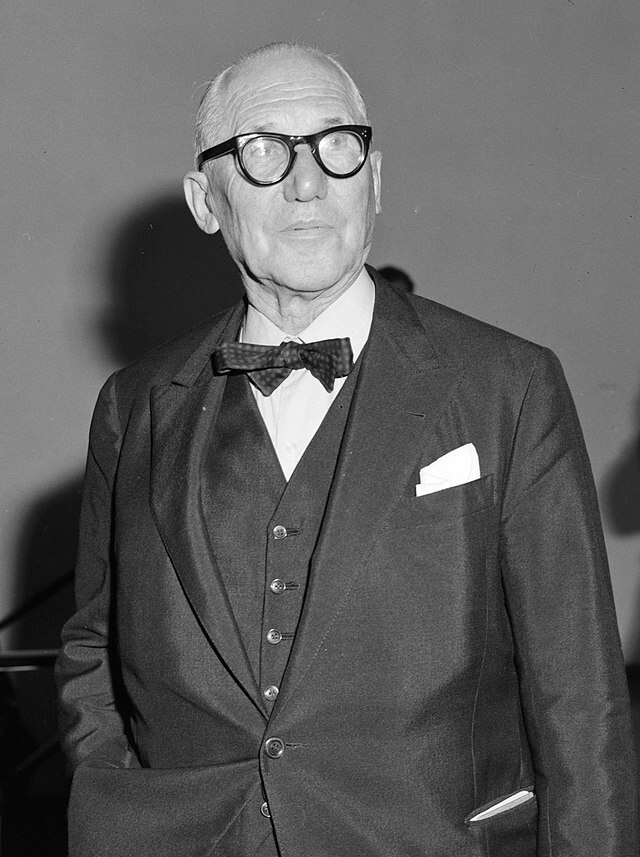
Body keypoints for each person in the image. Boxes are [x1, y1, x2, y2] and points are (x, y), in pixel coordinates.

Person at [55, 42, 638, 857]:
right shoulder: (135, 404)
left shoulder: (509, 386)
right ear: (205, 200)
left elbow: (580, 698)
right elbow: (93, 651)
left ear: (375, 180)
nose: (307, 183)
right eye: (263, 152)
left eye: (337, 146)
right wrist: (125, 814)